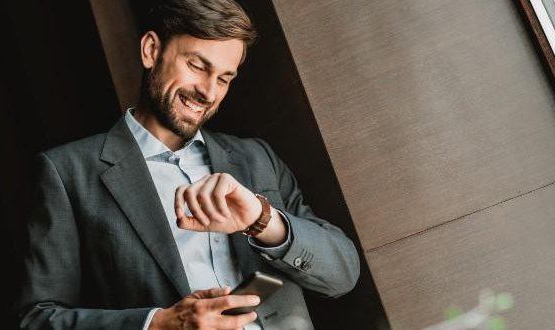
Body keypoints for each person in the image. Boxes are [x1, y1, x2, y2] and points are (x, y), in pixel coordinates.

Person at [18, 0, 360, 329]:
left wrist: (262, 220)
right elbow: (38, 319)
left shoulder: (256, 157)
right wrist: (159, 325)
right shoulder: (66, 172)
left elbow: (343, 273)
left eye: (224, 79)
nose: (209, 93)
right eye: (198, 66)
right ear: (152, 50)